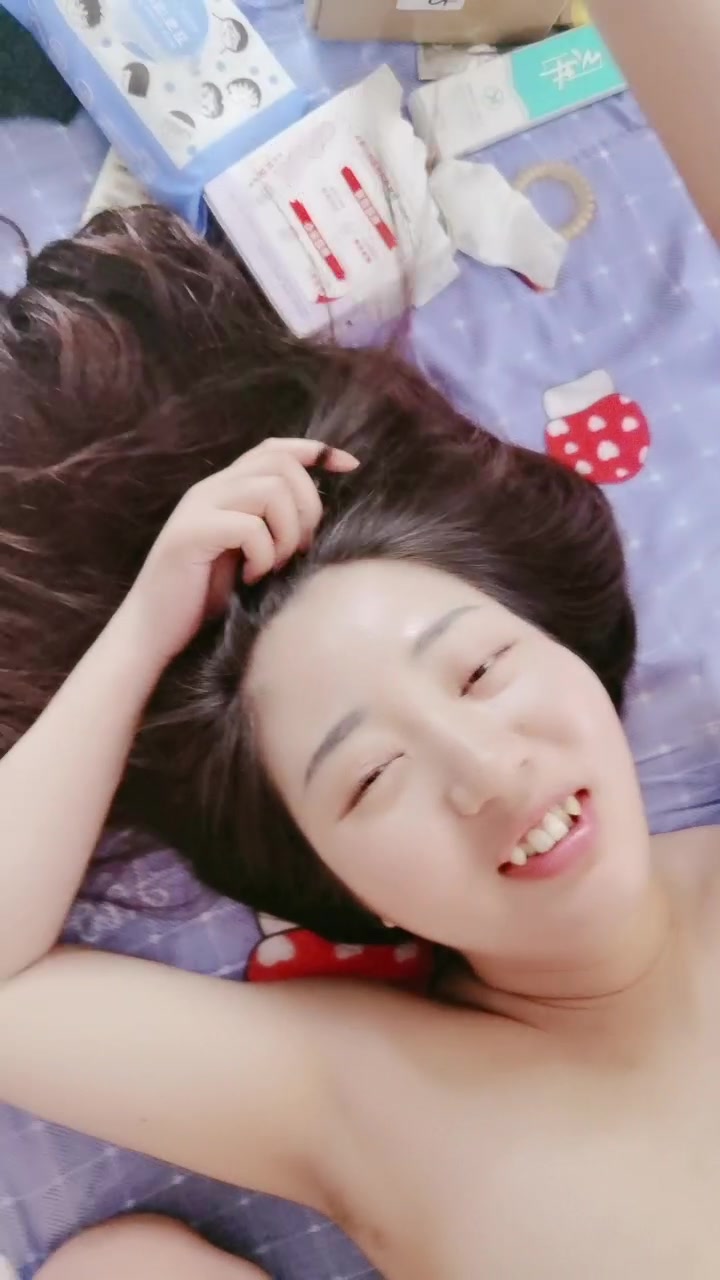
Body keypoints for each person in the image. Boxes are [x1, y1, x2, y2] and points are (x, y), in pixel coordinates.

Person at [1, 200, 720, 1280]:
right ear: (333, 883)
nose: (488, 772)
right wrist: (145, 627)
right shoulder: (371, 1094)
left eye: (480, 670)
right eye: (374, 776)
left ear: (566, 644)